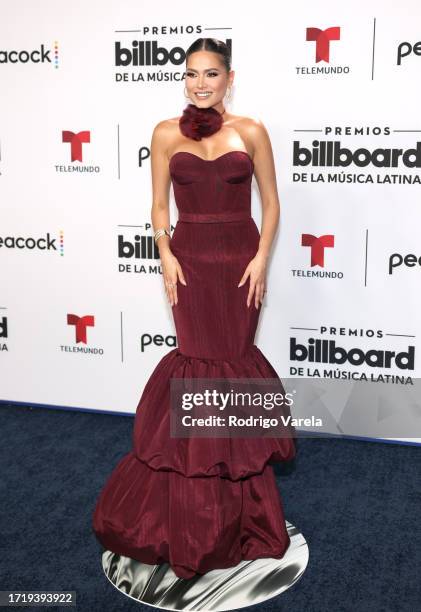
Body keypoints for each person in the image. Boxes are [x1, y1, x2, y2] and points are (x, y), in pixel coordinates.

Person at [92, 37, 296, 580]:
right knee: (196, 367)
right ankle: (191, 515)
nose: (200, 83)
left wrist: (261, 260)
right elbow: (159, 203)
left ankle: (243, 511)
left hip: (239, 263)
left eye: (210, 73)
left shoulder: (250, 131)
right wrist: (164, 254)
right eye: (191, 74)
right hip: (189, 262)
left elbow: (272, 202)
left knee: (232, 366)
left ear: (231, 78)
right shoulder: (164, 133)